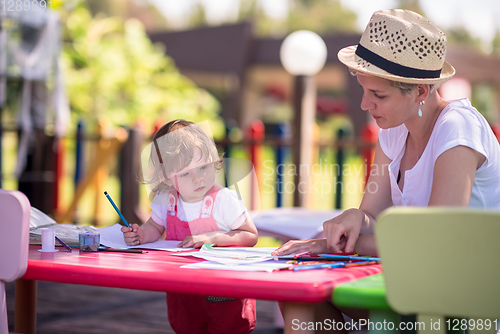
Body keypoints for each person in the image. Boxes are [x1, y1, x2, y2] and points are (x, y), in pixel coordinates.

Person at [273, 9, 500, 331]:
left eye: (378, 94)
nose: (366, 105)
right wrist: (355, 218)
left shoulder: (458, 128)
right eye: (364, 90)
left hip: (466, 302)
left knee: (309, 285)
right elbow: (373, 218)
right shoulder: (394, 129)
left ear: (421, 91)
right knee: (298, 292)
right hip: (418, 286)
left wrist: (331, 245)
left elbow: (437, 242)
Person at [121, 119, 258, 334]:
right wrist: (140, 234)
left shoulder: (224, 199)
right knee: (187, 328)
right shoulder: (166, 198)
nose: (198, 178)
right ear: (166, 176)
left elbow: (250, 235)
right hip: (182, 288)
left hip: (223, 290)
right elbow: (154, 227)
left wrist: (213, 238)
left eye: (203, 167)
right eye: (185, 173)